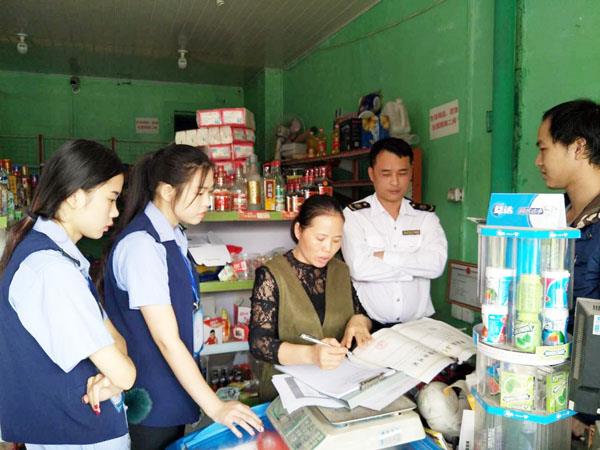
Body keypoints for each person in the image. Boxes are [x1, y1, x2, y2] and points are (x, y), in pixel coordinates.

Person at [103, 144, 263, 450]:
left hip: (172, 389)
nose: (208, 201)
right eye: (200, 192)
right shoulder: (142, 246)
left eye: (210, 191)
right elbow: (166, 340)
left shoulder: (173, 234)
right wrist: (216, 407)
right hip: (149, 400)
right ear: (166, 191)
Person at [0, 140, 136, 449]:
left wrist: (114, 375)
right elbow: (126, 374)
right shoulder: (52, 271)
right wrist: (117, 375)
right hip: (78, 434)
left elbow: (118, 342)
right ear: (76, 196)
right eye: (111, 199)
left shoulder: (55, 257)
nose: (115, 211)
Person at [249, 195, 373, 401]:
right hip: (286, 391)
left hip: (337, 386)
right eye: (320, 239)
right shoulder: (272, 274)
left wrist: (359, 321)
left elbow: (361, 314)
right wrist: (312, 354)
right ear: (299, 231)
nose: (328, 248)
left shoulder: (340, 270)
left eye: (336, 240)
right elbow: (259, 344)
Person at [534, 99, 600, 439]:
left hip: (588, 411)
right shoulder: (550, 215)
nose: (538, 161)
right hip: (545, 388)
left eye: (543, 149)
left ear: (578, 147)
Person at [341, 137, 448, 330]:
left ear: (411, 173)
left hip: (419, 325)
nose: (395, 181)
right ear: (372, 174)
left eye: (402, 173)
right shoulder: (354, 215)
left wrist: (385, 256)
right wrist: (414, 269)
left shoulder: (425, 217)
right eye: (386, 174)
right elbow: (359, 268)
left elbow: (435, 265)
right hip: (369, 325)